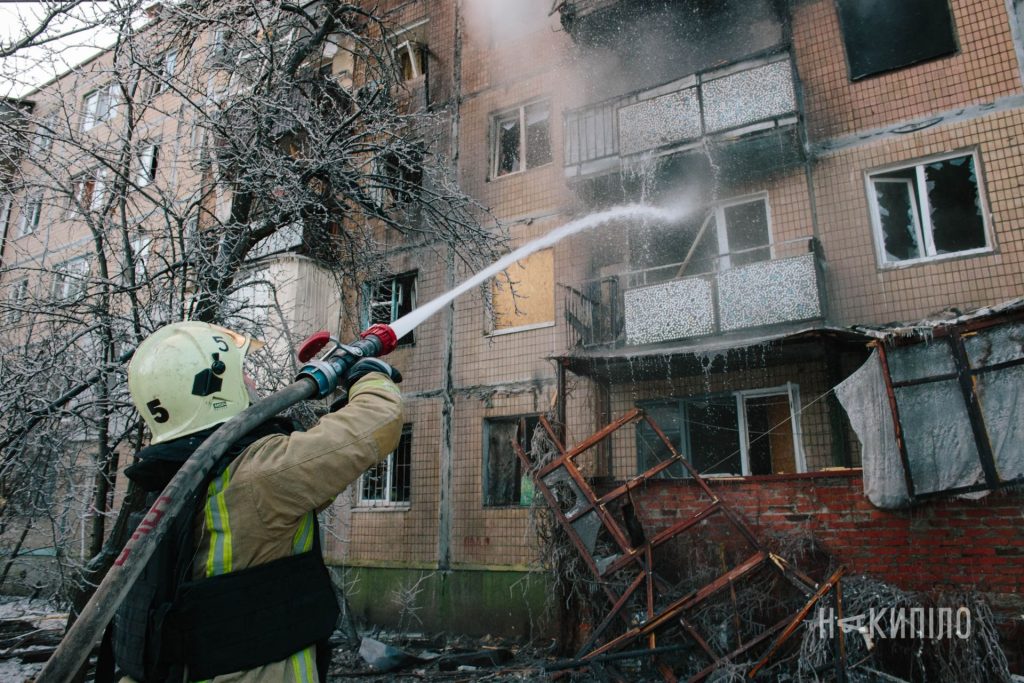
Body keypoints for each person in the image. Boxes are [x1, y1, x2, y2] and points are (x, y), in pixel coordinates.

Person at [106, 320, 403, 683]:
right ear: (213, 385)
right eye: (242, 373)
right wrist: (368, 375)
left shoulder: (179, 481)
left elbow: (306, 483)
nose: (253, 382)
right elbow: (377, 422)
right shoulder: (256, 475)